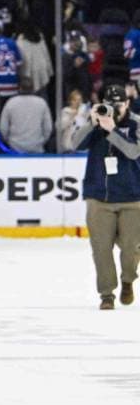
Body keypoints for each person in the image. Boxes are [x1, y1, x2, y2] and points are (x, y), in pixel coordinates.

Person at [71, 84, 140, 310]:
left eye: (118, 105)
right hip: (99, 195)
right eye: (110, 105)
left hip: (132, 196)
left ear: (127, 104)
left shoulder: (136, 123)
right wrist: (91, 122)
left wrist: (113, 131)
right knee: (101, 248)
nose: (114, 109)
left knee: (131, 247)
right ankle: (107, 294)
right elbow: (74, 143)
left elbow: (133, 152)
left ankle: (128, 280)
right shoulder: (97, 122)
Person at [0, 79, 53, 153]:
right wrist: (42, 141)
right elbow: (48, 128)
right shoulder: (42, 103)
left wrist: (9, 141)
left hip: (15, 148)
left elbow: (3, 128)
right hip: (37, 147)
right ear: (33, 88)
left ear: (19, 88)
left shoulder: (11, 102)